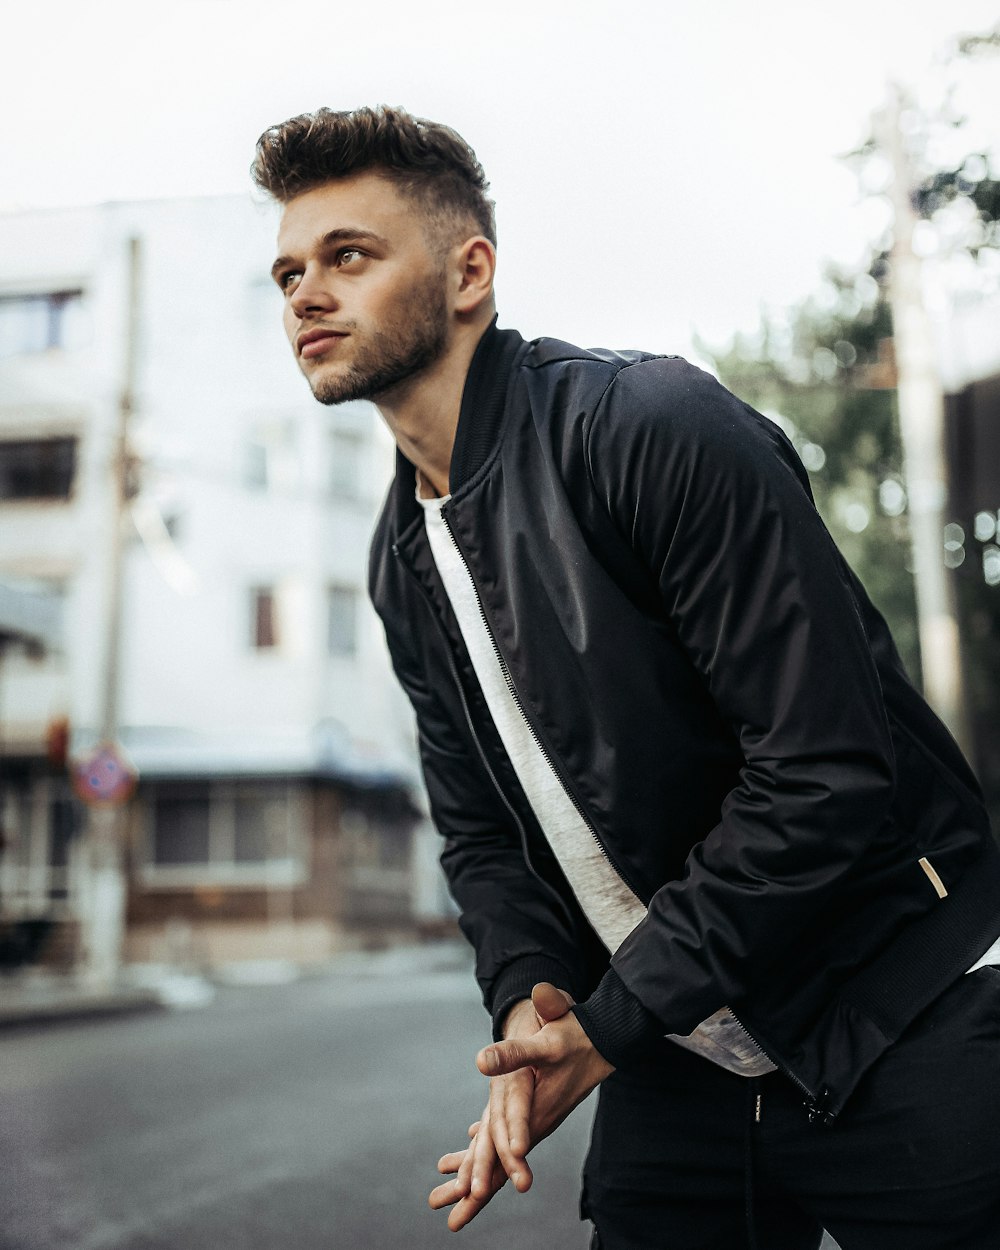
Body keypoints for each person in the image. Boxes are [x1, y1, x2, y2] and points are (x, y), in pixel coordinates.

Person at [252, 105, 1000, 1249]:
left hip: (900, 1004)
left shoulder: (648, 427)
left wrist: (607, 1022)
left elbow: (823, 771)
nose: (306, 292)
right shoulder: (399, 561)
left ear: (470, 272)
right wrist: (532, 1008)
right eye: (290, 269)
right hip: (678, 1057)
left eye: (348, 255)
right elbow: (483, 839)